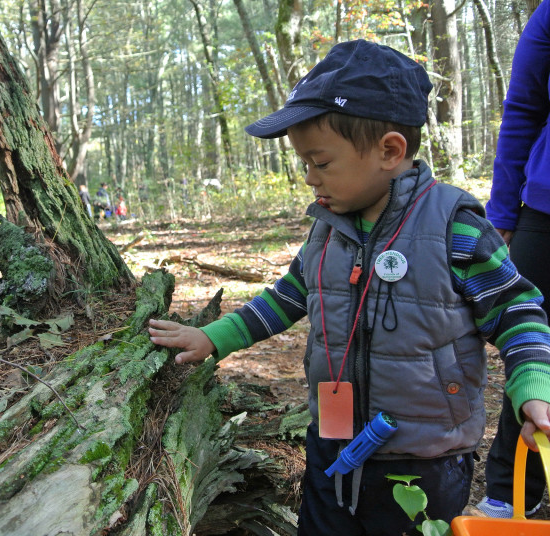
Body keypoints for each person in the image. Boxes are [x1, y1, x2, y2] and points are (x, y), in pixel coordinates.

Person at [148, 39, 550, 536]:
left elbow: (518, 313)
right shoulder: (328, 228)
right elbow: (289, 295)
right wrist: (216, 337)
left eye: (321, 162)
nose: (311, 179)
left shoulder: (456, 229)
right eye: (304, 166)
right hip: (332, 445)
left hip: (424, 457)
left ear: (389, 151)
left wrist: (532, 386)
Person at [478, 0, 550, 519]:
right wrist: (503, 210)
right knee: (533, 347)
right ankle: (509, 495)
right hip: (546, 211)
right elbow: (524, 107)